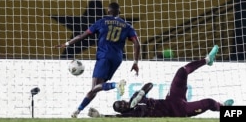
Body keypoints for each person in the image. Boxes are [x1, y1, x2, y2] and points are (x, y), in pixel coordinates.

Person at [87, 45, 234, 118]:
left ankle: (207, 60)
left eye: (122, 102)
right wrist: (100, 116)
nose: (124, 104)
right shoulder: (131, 116)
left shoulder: (133, 100)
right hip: (178, 111)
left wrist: (140, 94)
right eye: (122, 106)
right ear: (122, 111)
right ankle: (228, 110)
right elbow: (115, 118)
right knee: (208, 102)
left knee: (182, 71)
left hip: (172, 99)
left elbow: (149, 84)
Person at [55, 2, 141, 118]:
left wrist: (67, 43)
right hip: (117, 58)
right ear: (119, 13)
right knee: (96, 88)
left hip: (104, 56)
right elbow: (137, 43)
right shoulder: (127, 26)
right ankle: (78, 111)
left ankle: (116, 85)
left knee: (95, 87)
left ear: (108, 11)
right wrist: (135, 62)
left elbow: (82, 36)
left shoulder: (101, 22)